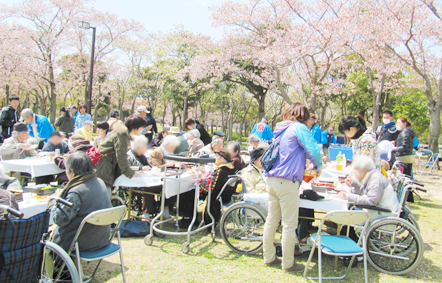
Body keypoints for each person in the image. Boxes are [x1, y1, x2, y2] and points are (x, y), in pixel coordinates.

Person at [263, 102, 322, 273]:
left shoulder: (281, 129)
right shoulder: (299, 128)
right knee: (289, 224)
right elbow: (315, 151)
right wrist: (319, 167)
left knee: (272, 220)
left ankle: (269, 257)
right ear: (304, 116)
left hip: (272, 179)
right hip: (287, 182)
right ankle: (288, 263)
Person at [51, 152, 112, 252]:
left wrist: (56, 200)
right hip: (101, 239)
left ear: (72, 172)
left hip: (80, 243)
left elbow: (59, 220)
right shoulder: (99, 182)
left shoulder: (77, 192)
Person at [96, 116, 145, 195]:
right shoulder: (122, 134)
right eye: (143, 128)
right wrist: (130, 173)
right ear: (136, 128)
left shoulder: (124, 133)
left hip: (107, 164)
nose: (143, 130)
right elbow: (121, 155)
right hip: (104, 166)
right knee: (105, 194)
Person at [202, 148, 236, 227]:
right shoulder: (230, 168)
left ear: (223, 159)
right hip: (227, 195)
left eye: (216, 157)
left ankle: (188, 219)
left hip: (219, 197)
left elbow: (212, 189)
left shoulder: (221, 171)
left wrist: (201, 183)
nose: (215, 159)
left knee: (191, 192)